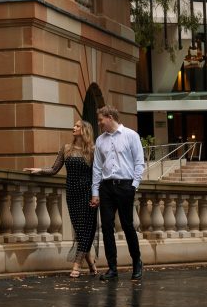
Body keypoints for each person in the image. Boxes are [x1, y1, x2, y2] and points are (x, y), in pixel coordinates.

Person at [24, 118, 98, 278]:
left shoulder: (93, 150)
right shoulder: (66, 149)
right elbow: (54, 169)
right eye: (75, 125)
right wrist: (39, 170)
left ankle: (76, 266)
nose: (74, 127)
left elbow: (97, 175)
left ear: (85, 130)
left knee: (86, 231)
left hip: (88, 194)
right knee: (80, 231)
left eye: (77, 126)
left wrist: (96, 195)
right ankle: (91, 263)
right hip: (72, 194)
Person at [90, 104, 144, 282]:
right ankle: (112, 268)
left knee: (128, 226)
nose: (99, 124)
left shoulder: (131, 135)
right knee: (106, 227)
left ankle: (137, 262)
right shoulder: (100, 140)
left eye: (100, 120)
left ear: (110, 118)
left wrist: (133, 186)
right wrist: (95, 192)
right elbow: (97, 168)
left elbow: (139, 162)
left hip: (125, 186)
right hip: (106, 187)